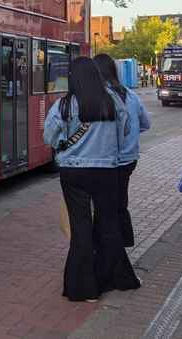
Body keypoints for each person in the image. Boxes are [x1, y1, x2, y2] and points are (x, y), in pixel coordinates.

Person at [43, 56, 141, 302]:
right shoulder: (114, 102)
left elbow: (50, 138)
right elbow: (125, 132)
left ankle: (84, 288)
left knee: (81, 226)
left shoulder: (63, 106)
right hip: (106, 170)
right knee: (108, 223)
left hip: (73, 172)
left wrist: (68, 147)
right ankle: (115, 278)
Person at [94, 54, 151, 247]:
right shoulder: (131, 95)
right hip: (130, 159)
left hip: (108, 161)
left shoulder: (100, 97)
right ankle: (125, 240)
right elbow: (146, 124)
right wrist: (131, 136)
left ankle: (109, 244)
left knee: (105, 204)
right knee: (120, 201)